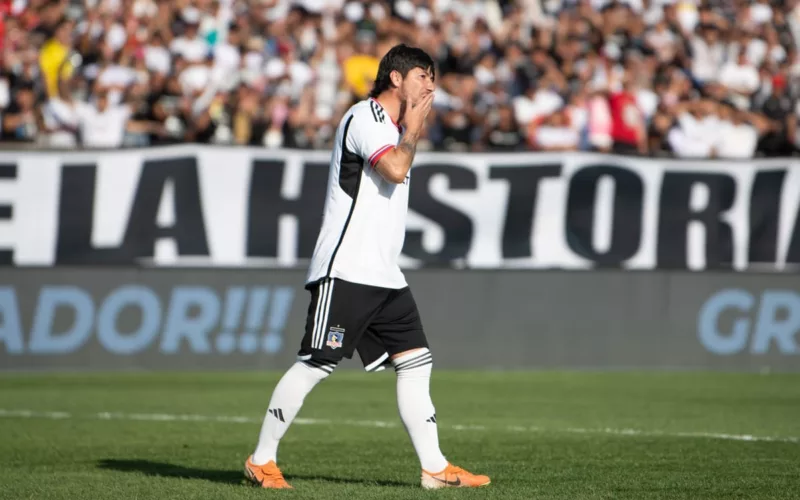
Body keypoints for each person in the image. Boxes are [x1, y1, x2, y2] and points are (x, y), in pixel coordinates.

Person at [243, 44, 491, 490]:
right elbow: (395, 169)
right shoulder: (367, 117)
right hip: (348, 269)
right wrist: (413, 130)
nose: (431, 85)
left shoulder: (393, 127)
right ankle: (262, 459)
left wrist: (409, 130)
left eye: (433, 77)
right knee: (316, 363)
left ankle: (434, 468)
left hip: (384, 274)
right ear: (395, 78)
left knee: (417, 363)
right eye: (422, 75)